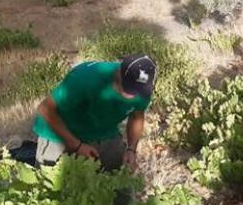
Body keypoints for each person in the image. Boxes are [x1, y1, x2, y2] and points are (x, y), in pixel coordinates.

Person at [32, 54, 156, 187]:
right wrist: (77, 145)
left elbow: (137, 117)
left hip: (103, 131)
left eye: (135, 90)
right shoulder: (85, 78)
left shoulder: (142, 90)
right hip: (58, 132)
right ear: (119, 71)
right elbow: (45, 109)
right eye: (127, 86)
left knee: (121, 184)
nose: (131, 95)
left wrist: (131, 149)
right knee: (49, 188)